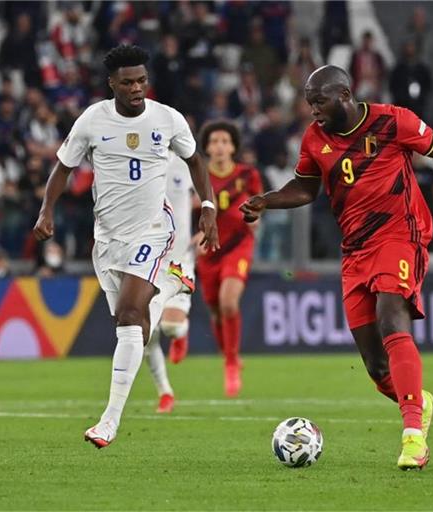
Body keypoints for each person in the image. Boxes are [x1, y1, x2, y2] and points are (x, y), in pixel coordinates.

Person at [240, 65, 433, 470]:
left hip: (401, 234)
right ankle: (418, 400)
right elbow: (306, 187)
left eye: (319, 102)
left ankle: (413, 438)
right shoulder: (315, 138)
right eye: (309, 104)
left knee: (391, 316)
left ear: (343, 94)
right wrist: (267, 200)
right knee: (376, 367)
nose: (313, 111)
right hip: (355, 250)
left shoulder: (392, 120)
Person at [33, 44, 219, 448]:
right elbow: (63, 168)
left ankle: (109, 421)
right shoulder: (92, 120)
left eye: (141, 81)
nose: (137, 88)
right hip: (108, 239)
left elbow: (196, 161)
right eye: (128, 82)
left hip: (154, 230)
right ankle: (172, 284)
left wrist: (208, 206)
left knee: (132, 314)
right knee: (131, 324)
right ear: (112, 84)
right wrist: (47, 210)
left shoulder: (168, 119)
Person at [195, 120, 264, 397]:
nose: (220, 146)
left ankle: (232, 363)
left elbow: (258, 206)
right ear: (207, 147)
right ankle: (229, 355)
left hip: (238, 245)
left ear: (233, 146)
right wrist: (191, 236)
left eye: (225, 141)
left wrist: (255, 217)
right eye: (214, 142)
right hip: (208, 249)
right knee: (213, 309)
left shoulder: (247, 175)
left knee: (228, 301)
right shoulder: (199, 176)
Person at [144, 152, 197, 414]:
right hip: (146, 258)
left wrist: (207, 224)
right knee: (144, 334)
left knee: (170, 327)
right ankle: (165, 392)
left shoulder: (185, 163)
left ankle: (181, 334)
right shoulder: (138, 164)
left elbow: (208, 196)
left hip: (179, 258)